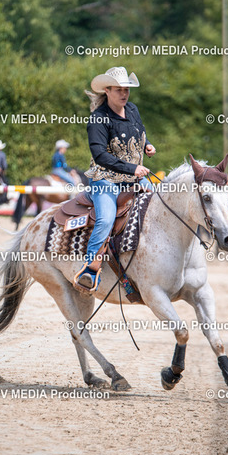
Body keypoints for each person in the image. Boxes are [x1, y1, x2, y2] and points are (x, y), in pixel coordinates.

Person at [76, 66, 156, 292]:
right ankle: (90, 270)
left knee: (160, 204)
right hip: (105, 179)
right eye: (119, 89)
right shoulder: (98, 118)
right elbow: (100, 155)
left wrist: (147, 144)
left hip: (133, 178)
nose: (124, 94)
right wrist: (132, 168)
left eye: (126, 90)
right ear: (107, 91)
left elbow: (139, 131)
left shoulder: (132, 109)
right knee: (105, 219)